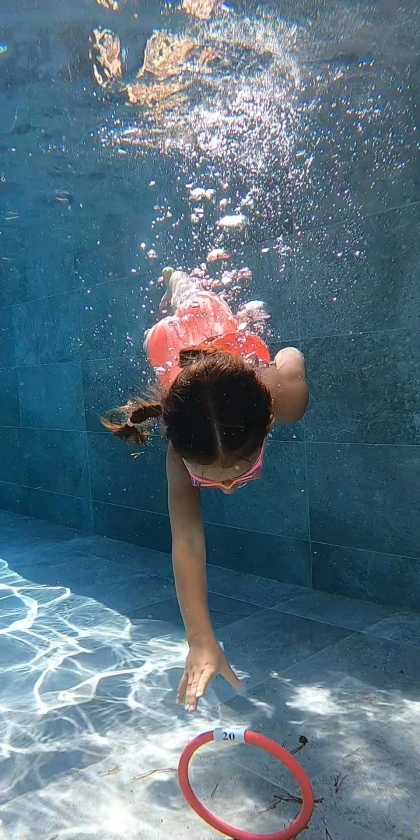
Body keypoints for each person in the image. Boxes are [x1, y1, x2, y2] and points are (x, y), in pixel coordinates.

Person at [102, 266, 308, 711]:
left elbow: (291, 354)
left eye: (237, 472)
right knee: (169, 331)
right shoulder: (179, 447)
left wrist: (280, 367)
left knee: (182, 324)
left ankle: (182, 288)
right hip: (180, 357)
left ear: (267, 422)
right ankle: (177, 283)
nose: (229, 488)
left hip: (220, 358)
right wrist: (200, 639)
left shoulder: (285, 399)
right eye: (213, 477)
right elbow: (187, 541)